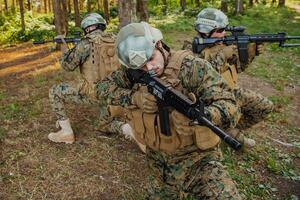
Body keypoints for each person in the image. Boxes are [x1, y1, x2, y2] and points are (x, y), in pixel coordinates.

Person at [96, 22, 243, 199]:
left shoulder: (193, 67)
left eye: (151, 59)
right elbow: (101, 89)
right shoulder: (133, 68)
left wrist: (206, 116)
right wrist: (134, 98)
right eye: (141, 67)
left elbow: (230, 104)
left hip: (199, 160)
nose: (149, 69)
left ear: (159, 45)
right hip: (158, 163)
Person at [48, 13, 144, 150]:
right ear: (102, 25)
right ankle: (127, 129)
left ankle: (66, 132)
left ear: (86, 28)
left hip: (95, 93)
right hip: (116, 94)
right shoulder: (116, 40)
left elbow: (67, 66)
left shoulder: (85, 44)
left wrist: (65, 48)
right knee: (103, 125)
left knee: (55, 91)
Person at [183, 8, 274, 147]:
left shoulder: (221, 44)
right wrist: (222, 55)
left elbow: (236, 69)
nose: (224, 33)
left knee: (265, 106)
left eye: (224, 29)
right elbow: (202, 75)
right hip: (209, 99)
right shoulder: (191, 49)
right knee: (225, 112)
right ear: (206, 30)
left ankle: (230, 131)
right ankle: (220, 131)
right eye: (220, 30)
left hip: (229, 91)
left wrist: (250, 54)